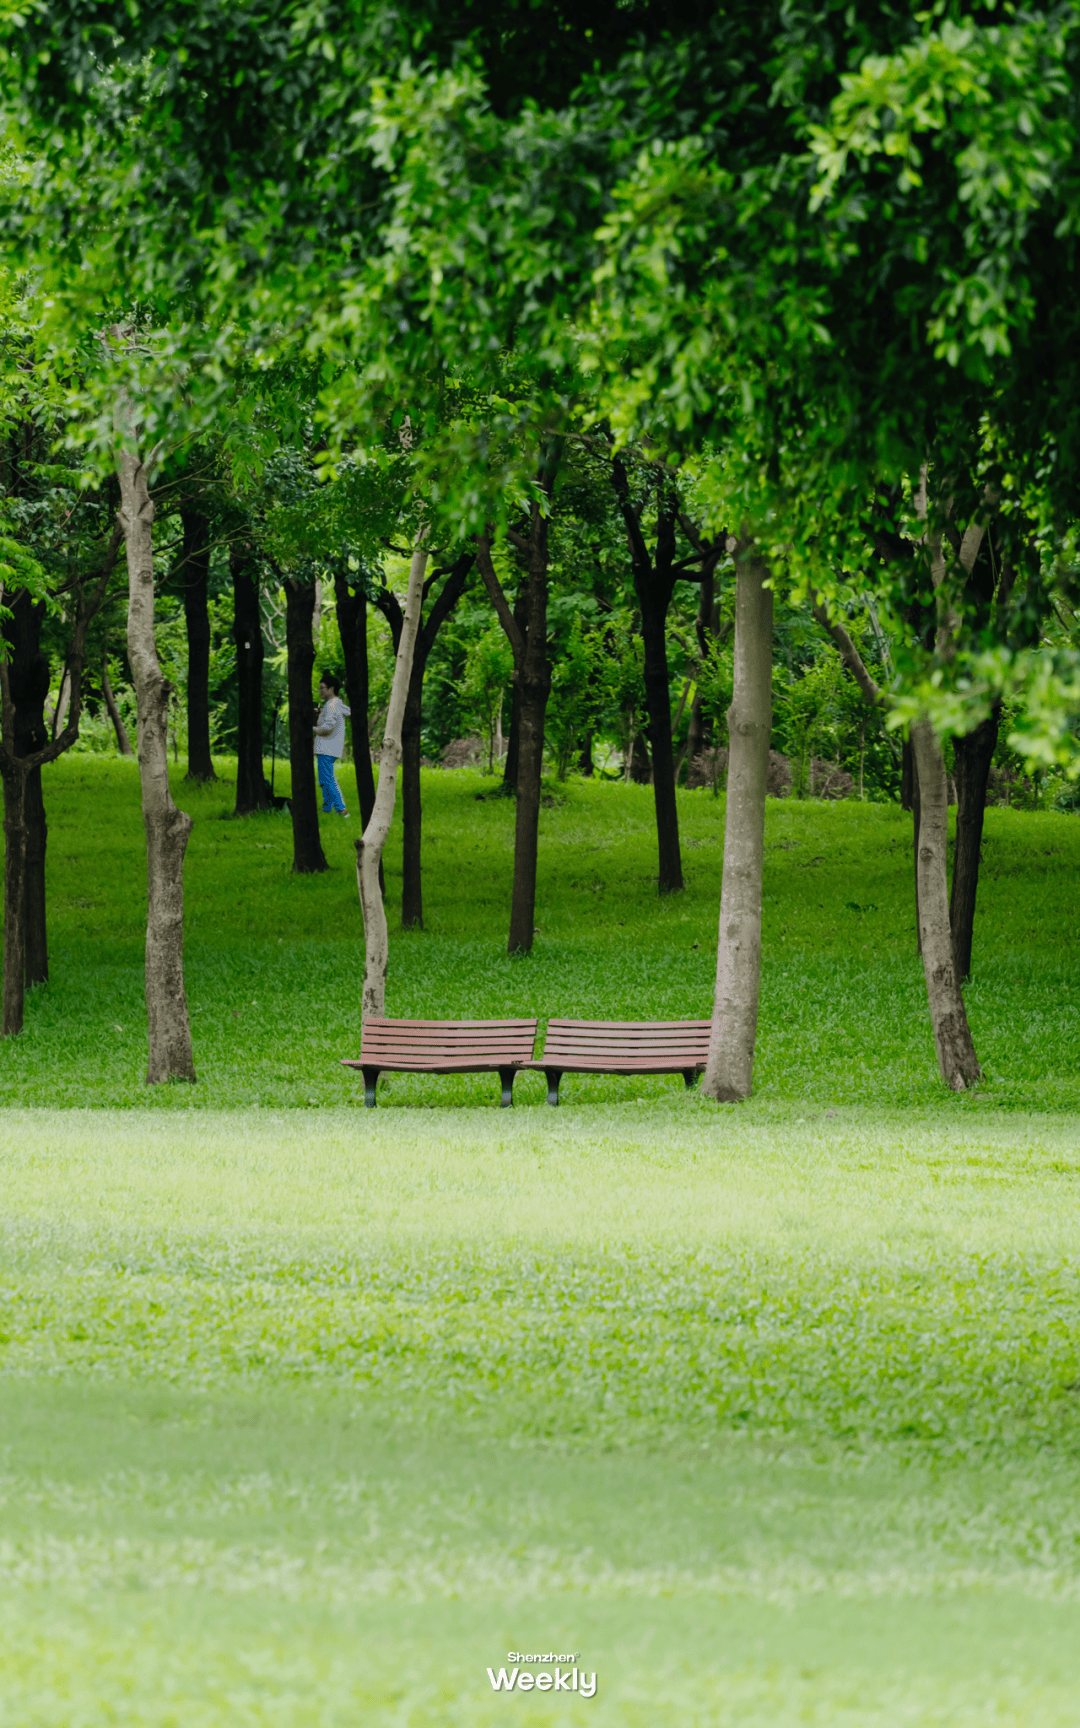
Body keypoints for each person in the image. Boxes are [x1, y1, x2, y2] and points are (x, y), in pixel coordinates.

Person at [313, 672, 351, 816]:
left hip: (327, 747)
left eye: (322, 688)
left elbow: (328, 727)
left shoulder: (332, 705)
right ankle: (326, 808)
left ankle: (342, 809)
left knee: (327, 779)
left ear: (331, 689)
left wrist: (313, 729)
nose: (320, 691)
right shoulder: (335, 704)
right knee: (324, 779)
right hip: (330, 747)